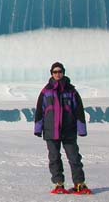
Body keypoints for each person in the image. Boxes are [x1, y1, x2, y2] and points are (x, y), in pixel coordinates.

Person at [34, 61, 92, 194]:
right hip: (51, 131)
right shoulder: (46, 91)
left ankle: (79, 184)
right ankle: (58, 184)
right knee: (54, 158)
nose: (57, 74)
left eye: (60, 71)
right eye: (55, 72)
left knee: (74, 158)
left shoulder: (71, 91)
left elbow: (79, 111)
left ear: (63, 73)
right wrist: (38, 128)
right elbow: (39, 111)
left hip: (68, 131)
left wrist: (81, 129)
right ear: (51, 74)